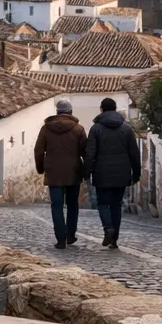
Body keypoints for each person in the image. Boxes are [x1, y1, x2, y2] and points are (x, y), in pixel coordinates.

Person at [83, 97, 140, 249]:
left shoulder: (95, 129)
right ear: (115, 110)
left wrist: (86, 172)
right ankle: (114, 240)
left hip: (101, 173)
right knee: (116, 205)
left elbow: (90, 153)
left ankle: (108, 228)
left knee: (102, 203)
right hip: (122, 173)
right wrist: (137, 173)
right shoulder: (127, 129)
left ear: (101, 110)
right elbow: (134, 153)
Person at [33, 98, 86, 249]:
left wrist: (41, 168)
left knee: (56, 206)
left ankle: (60, 239)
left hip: (53, 172)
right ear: (70, 112)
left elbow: (38, 151)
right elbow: (85, 152)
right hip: (73, 172)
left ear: (57, 112)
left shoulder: (46, 129)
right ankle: (70, 235)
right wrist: (85, 170)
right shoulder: (78, 129)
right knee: (72, 205)